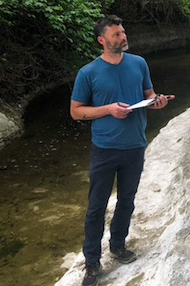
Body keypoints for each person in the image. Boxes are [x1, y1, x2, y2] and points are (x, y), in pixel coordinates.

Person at [70, 15, 174, 286]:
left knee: (127, 200)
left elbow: (148, 96)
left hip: (135, 146)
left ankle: (118, 246)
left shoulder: (138, 63)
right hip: (104, 149)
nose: (123, 37)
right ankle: (92, 262)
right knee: (96, 207)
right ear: (102, 41)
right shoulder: (88, 72)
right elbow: (76, 112)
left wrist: (157, 102)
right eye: (116, 35)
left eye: (124, 32)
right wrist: (108, 110)